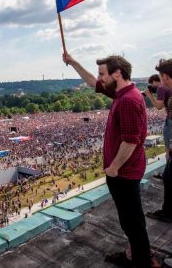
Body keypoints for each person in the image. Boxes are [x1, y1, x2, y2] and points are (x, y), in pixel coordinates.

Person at [63, 52, 157, 268]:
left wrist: (114, 167)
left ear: (117, 73)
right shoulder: (122, 93)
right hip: (125, 171)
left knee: (132, 221)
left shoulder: (128, 100)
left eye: (103, 74)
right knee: (132, 220)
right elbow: (92, 83)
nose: (100, 78)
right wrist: (75, 63)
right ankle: (135, 253)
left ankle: (141, 261)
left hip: (123, 172)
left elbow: (131, 141)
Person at [146, 59, 172, 223]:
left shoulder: (164, 90)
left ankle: (168, 212)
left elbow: (159, 107)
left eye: (162, 77)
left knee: (169, 176)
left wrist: (149, 95)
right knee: (168, 175)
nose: (161, 82)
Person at [143, 73, 171, 180]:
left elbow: (159, 106)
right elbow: (164, 103)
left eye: (150, 85)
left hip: (170, 120)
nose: (151, 88)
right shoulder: (168, 87)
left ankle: (167, 174)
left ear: (154, 82)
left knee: (168, 149)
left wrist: (149, 95)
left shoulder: (161, 87)